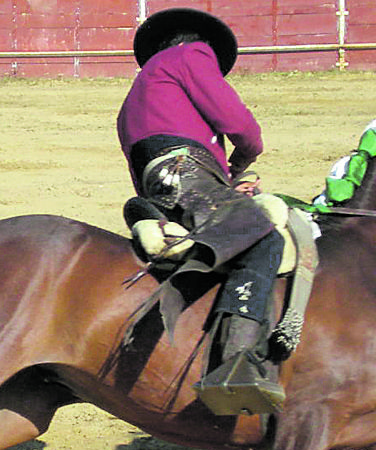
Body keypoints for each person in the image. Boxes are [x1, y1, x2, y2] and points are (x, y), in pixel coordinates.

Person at [117, 8, 285, 417]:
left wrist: (226, 184)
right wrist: (245, 158)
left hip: (161, 181)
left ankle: (150, 219)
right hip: (186, 171)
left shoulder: (137, 96)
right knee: (263, 235)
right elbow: (239, 124)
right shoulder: (193, 55)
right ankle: (236, 361)